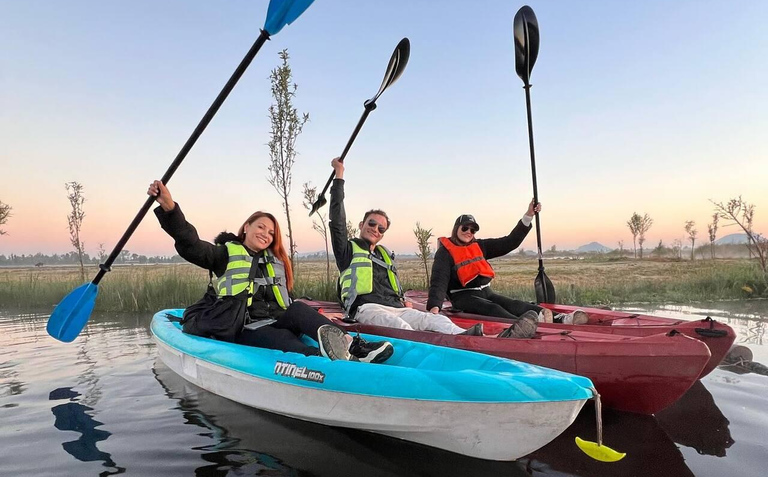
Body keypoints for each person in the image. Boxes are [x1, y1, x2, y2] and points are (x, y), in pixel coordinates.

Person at [147, 180, 393, 363]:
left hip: (278, 319)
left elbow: (285, 302)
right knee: (287, 343)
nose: (266, 233)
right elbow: (191, 244)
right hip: (246, 328)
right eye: (261, 227)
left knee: (298, 308)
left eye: (271, 232)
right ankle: (331, 362)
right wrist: (170, 209)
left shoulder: (275, 260)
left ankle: (352, 345)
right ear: (246, 227)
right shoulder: (224, 254)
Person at [329, 158, 534, 337]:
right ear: (361, 225)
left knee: (436, 321)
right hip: (367, 309)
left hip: (396, 307)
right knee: (399, 326)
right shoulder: (347, 251)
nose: (376, 229)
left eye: (381, 228)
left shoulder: (384, 255)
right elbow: (338, 222)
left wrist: (405, 302)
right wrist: (339, 176)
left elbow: (509, 242)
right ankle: (429, 349)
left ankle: (469, 339)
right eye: (372, 224)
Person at [427, 206, 588, 332]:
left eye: (473, 229)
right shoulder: (445, 253)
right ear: (456, 228)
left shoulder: (479, 246)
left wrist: (528, 215)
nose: (469, 232)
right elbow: (438, 282)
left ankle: (560, 318)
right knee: (493, 308)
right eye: (465, 228)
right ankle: (522, 327)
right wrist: (434, 308)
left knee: (515, 304)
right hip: (463, 297)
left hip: (486, 292)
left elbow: (509, 242)